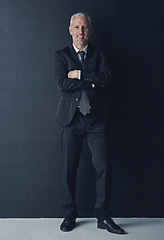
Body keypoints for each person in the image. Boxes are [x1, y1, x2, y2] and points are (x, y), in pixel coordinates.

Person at [55, 12, 125, 234]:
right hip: (71, 119)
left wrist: (80, 74)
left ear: (90, 31)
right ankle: (69, 214)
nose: (80, 32)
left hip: (97, 120)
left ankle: (103, 218)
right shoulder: (61, 55)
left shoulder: (100, 53)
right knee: (69, 169)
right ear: (70, 30)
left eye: (84, 28)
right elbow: (62, 84)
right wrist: (92, 81)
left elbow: (107, 79)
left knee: (104, 167)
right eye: (76, 27)